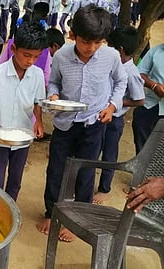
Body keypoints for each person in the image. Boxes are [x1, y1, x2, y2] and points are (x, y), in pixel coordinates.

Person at [36, 5, 127, 242]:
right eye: (87, 42)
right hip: (65, 124)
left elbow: (121, 82)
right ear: (73, 35)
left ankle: (78, 222)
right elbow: (54, 82)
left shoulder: (111, 57)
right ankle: (52, 214)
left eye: (98, 42)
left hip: (94, 123)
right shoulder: (62, 56)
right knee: (56, 170)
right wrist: (54, 95)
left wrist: (112, 107)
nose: (92, 48)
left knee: (85, 174)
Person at [0, 22, 47, 201]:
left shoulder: (37, 74)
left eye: (36, 56)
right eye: (26, 55)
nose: (30, 61)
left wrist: (38, 121)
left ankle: (10, 210)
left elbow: (38, 102)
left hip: (23, 136)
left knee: (15, 179)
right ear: (14, 49)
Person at [93, 26, 145, 204]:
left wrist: (117, 103)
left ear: (120, 50)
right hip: (100, 116)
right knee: (93, 150)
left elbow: (139, 100)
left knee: (109, 154)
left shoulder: (131, 72)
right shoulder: (112, 65)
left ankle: (104, 188)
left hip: (114, 120)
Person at [132, 42, 164, 154]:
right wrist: (153, 86)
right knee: (143, 149)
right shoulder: (156, 51)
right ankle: (142, 170)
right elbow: (139, 73)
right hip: (149, 106)